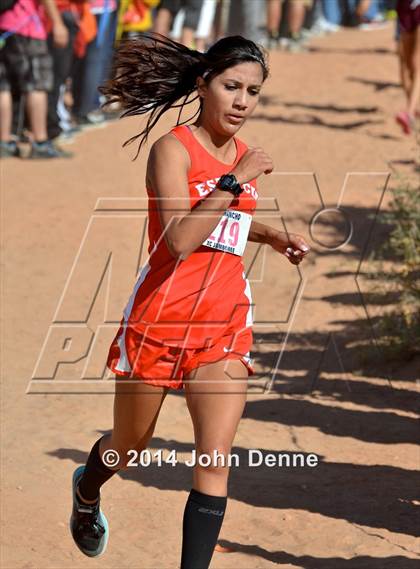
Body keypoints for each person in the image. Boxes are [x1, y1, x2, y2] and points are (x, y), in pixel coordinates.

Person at [69, 32, 311, 567]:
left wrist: (268, 233)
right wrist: (234, 180)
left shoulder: (243, 157)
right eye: (232, 86)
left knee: (214, 459)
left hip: (222, 327)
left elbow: (223, 224)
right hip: (159, 319)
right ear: (204, 84)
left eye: (254, 91)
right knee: (127, 449)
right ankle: (88, 489)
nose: (243, 101)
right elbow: (179, 238)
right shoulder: (172, 150)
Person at [0, 0, 71, 158]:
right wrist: (58, 23)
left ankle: (4, 142)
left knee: (4, 86)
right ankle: (40, 142)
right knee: (37, 85)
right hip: (24, 25)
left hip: (5, 26)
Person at [395, 0, 420, 134]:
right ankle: (414, 108)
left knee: (417, 63)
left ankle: (409, 113)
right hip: (404, 8)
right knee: (407, 67)